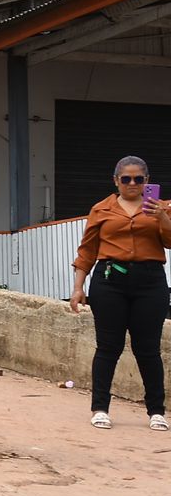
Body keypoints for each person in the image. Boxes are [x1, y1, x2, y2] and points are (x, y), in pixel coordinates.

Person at [69, 156, 171, 431]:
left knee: (148, 348)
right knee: (108, 347)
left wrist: (162, 217)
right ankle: (100, 408)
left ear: (147, 181)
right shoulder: (102, 209)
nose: (133, 184)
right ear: (116, 181)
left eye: (139, 179)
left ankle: (156, 411)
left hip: (150, 281)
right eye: (126, 179)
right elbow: (87, 250)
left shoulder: (161, 208)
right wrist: (78, 287)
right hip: (109, 280)